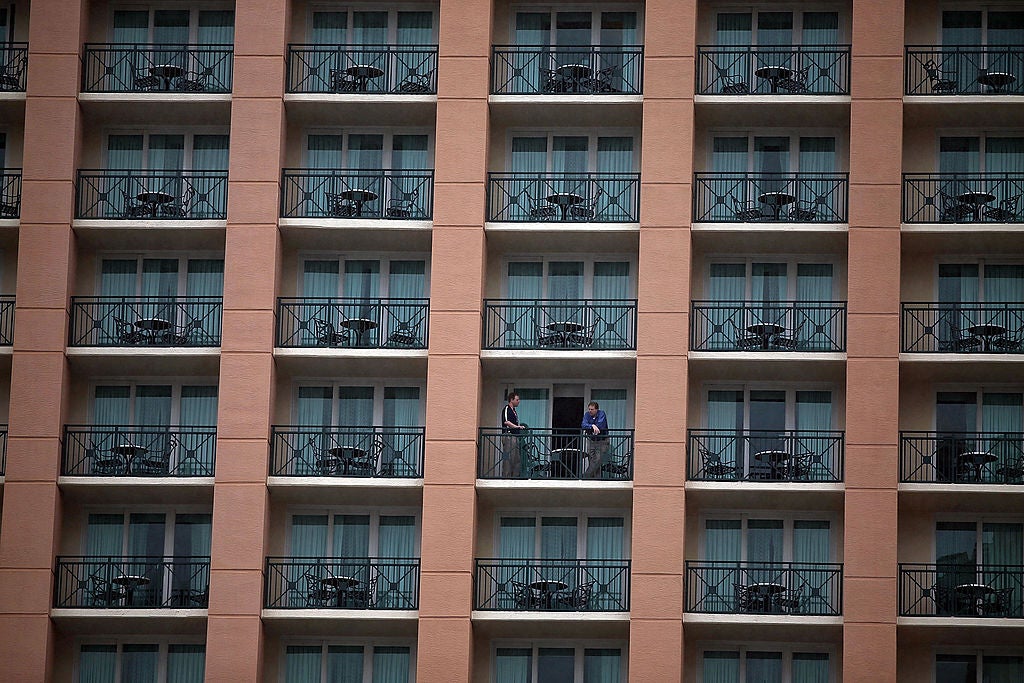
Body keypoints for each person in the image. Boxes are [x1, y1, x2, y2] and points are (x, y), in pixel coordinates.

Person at [581, 401, 609, 478]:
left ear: (597, 409)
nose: (590, 411)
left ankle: (586, 476)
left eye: (592, 409)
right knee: (591, 459)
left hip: (602, 440)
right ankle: (596, 479)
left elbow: (600, 425)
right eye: (589, 409)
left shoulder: (601, 413)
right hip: (591, 440)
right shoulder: (587, 415)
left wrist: (594, 426)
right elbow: (583, 425)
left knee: (598, 459)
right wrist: (592, 426)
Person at [501, 392, 526, 476]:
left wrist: (518, 427)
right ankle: (506, 478)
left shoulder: (514, 411)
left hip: (515, 437)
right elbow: (506, 422)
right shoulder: (507, 409)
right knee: (509, 458)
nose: (519, 401)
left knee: (516, 459)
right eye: (517, 400)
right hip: (509, 436)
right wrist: (517, 427)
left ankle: (515, 477)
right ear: (511, 400)